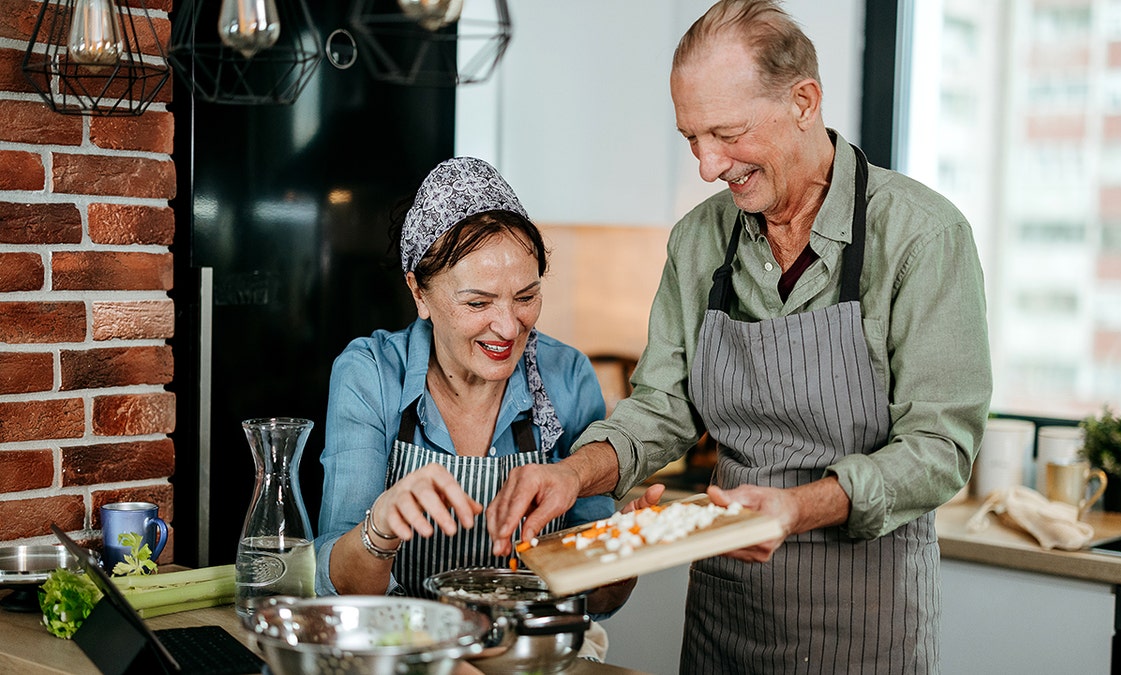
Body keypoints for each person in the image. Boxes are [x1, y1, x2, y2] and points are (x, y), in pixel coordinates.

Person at [487, 1, 992, 672]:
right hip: (726, 623)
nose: (706, 165)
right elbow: (662, 407)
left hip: (864, 626)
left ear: (804, 101)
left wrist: (794, 507)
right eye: (691, 137)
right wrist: (570, 472)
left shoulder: (922, 238)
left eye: (725, 132)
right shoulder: (699, 241)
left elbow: (939, 448)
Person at [312, 157, 640, 640]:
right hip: (407, 652)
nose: (509, 328)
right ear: (419, 292)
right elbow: (337, 588)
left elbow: (596, 600)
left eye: (526, 297)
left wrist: (624, 554)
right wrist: (379, 527)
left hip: (528, 655)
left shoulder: (566, 375)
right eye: (478, 303)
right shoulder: (371, 374)